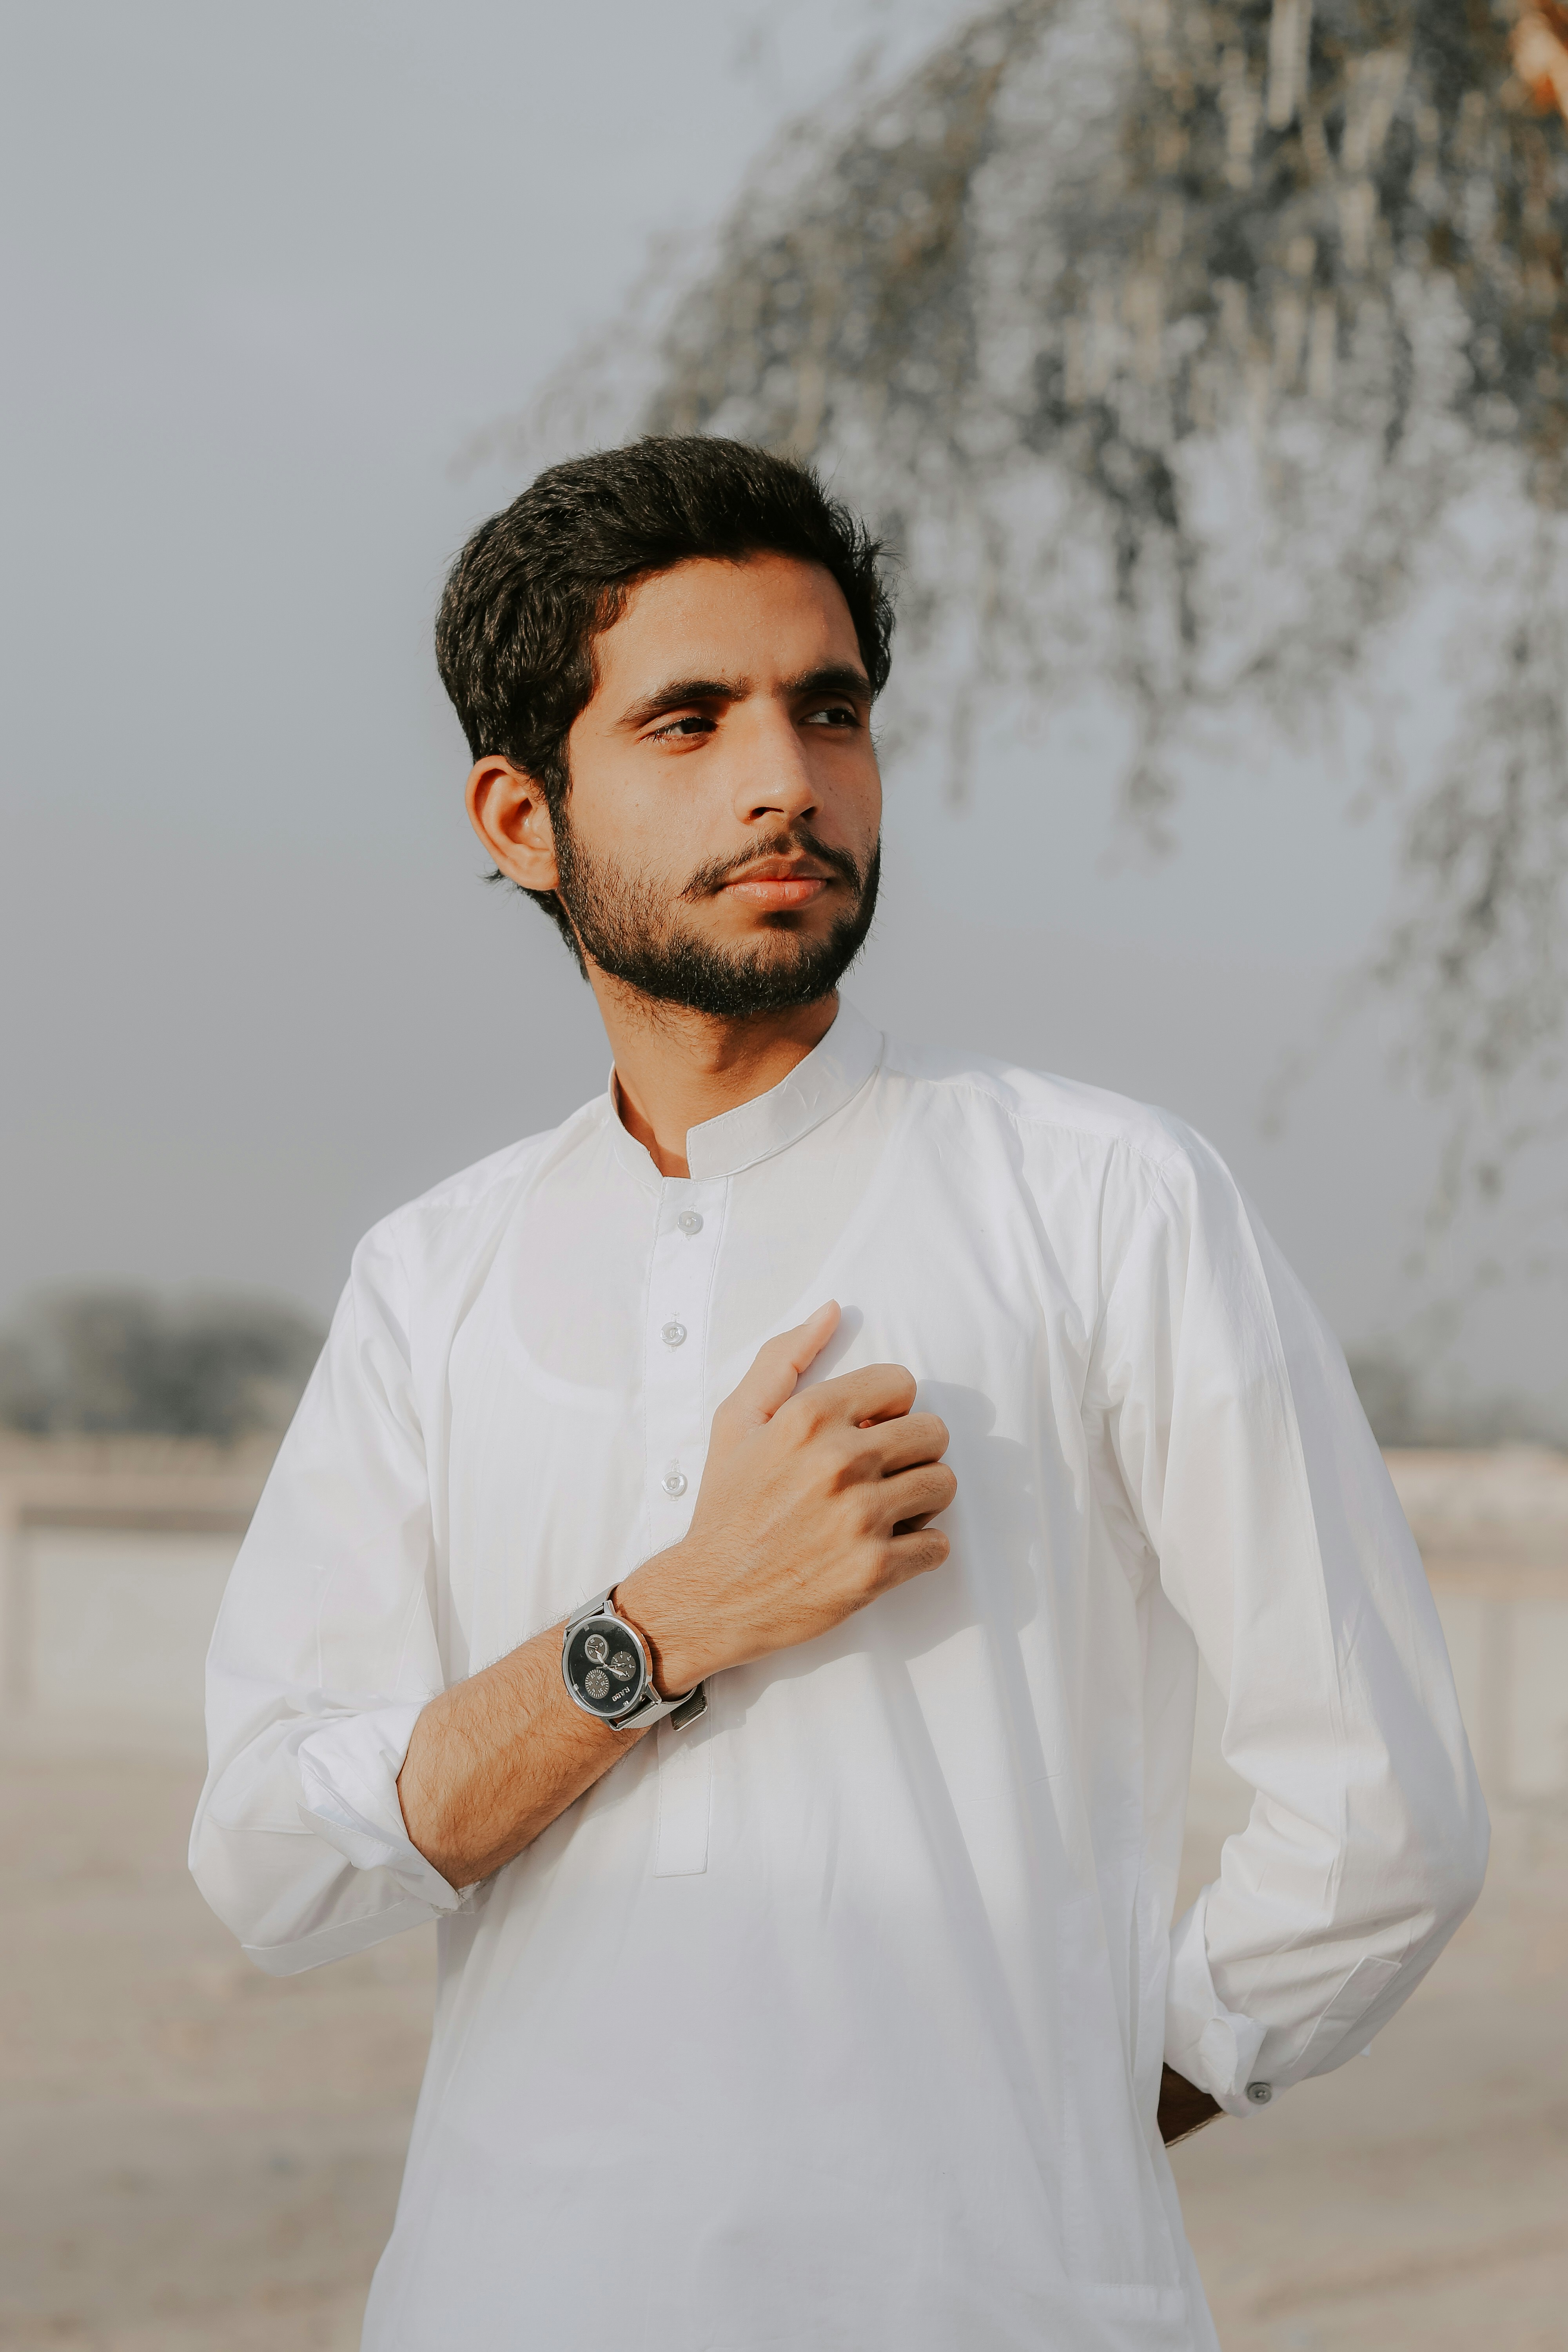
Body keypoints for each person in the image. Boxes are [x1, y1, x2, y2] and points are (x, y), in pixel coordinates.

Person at [191, 436, 1487, 2352]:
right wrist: (673, 1618)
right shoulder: (435, 1279)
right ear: (520, 814)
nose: (787, 781)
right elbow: (275, 1860)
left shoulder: (1101, 1198)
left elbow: (1383, 1823)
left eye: (831, 712)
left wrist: (1061, 2126)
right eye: (690, 722)